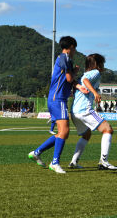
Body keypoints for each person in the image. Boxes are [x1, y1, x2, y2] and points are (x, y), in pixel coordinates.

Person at [28, 36, 88, 174]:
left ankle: (37, 152)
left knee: (62, 133)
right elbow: (68, 78)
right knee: (64, 132)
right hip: (58, 98)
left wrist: (77, 85)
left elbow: (68, 79)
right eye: (75, 48)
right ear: (71, 47)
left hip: (56, 98)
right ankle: (55, 162)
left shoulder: (64, 59)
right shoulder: (65, 58)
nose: (75, 51)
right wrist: (75, 72)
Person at [68, 54, 117, 170]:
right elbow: (85, 81)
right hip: (84, 110)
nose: (103, 66)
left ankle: (74, 162)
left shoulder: (84, 74)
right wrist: (95, 93)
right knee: (108, 129)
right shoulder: (95, 73)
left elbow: (79, 81)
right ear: (97, 64)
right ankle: (103, 161)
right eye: (102, 63)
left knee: (87, 134)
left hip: (74, 112)